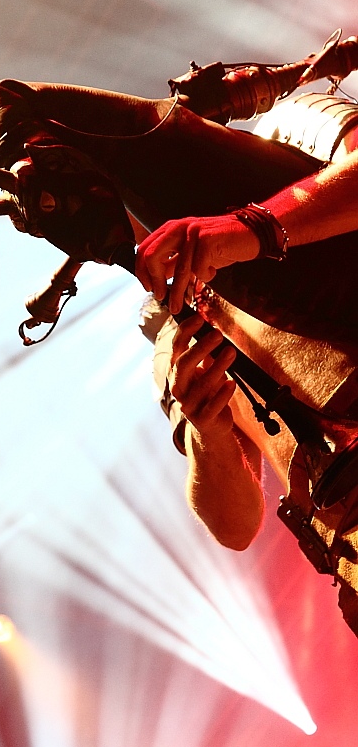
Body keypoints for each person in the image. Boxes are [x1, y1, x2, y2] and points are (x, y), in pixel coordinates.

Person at [135, 139, 358, 552]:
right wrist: (209, 436)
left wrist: (256, 228)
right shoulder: (171, 343)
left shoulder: (270, 162)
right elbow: (234, 529)